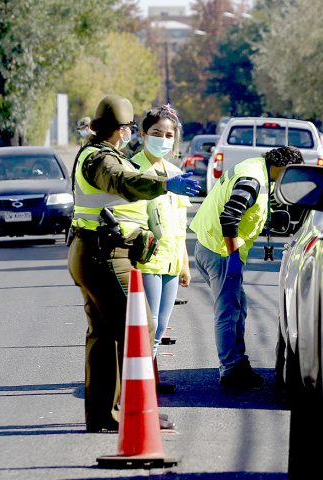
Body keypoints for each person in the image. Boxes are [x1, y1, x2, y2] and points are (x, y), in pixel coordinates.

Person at [67, 94, 200, 433]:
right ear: (120, 129)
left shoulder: (105, 155)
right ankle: (137, 413)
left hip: (96, 251)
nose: (128, 134)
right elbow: (123, 182)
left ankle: (104, 416)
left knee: (106, 336)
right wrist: (165, 184)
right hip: (105, 254)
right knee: (137, 331)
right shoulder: (100, 160)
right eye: (127, 128)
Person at [189, 146, 303, 389]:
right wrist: (231, 257)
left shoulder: (256, 169)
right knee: (228, 313)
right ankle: (230, 371)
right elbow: (230, 216)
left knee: (237, 308)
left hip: (210, 246)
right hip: (220, 251)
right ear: (283, 167)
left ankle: (237, 364)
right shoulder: (253, 180)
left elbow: (248, 212)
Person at [130, 105, 191, 393]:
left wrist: (184, 263)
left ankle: (147, 378)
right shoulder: (133, 170)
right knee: (149, 324)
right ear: (143, 134)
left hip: (170, 260)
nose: (163, 139)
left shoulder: (175, 172)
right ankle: (137, 382)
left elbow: (180, 224)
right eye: (156, 133)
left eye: (169, 134)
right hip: (146, 260)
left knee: (161, 326)